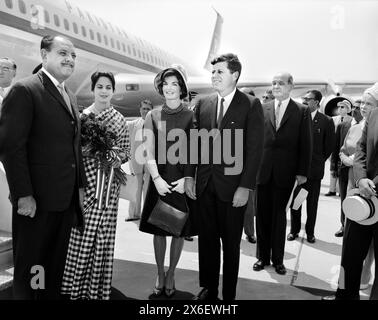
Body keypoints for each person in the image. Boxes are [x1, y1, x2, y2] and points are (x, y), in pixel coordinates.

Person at [0, 35, 86, 299]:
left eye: (73, 55)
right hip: (35, 203)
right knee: (33, 269)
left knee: (52, 268)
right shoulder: (25, 90)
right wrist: (23, 194)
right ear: (44, 55)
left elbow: (74, 147)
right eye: (63, 53)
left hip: (63, 202)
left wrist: (79, 187)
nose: (69, 59)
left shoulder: (69, 95)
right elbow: (11, 148)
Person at [186, 53, 265, 301]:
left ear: (235, 75)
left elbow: (254, 151)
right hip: (205, 185)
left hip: (233, 189)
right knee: (207, 241)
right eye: (213, 72)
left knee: (231, 245)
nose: (214, 76)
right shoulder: (203, 103)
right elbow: (193, 145)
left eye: (220, 71)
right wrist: (189, 177)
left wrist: (246, 187)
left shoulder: (250, 105)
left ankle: (228, 294)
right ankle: (209, 287)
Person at [61, 71, 130, 300]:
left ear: (113, 91)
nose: (104, 91)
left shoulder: (119, 119)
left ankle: (96, 290)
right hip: (87, 186)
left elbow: (126, 152)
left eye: (108, 87)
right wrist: (91, 151)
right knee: (81, 236)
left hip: (110, 188)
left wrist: (110, 154)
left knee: (103, 239)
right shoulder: (82, 117)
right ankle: (74, 288)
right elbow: (74, 153)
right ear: (93, 89)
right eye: (99, 86)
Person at [139, 64, 196, 299]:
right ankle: (159, 273)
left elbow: (196, 151)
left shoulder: (192, 115)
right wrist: (156, 179)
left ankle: (172, 273)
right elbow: (148, 150)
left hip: (182, 180)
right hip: (159, 179)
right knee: (159, 230)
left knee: (179, 231)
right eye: (165, 84)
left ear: (182, 88)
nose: (169, 88)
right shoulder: (153, 115)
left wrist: (188, 178)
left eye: (174, 84)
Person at [322, 83, 378, 300]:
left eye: (369, 103)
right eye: (362, 102)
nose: (363, 107)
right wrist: (362, 178)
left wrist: (372, 183)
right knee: (349, 258)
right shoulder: (370, 120)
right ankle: (343, 295)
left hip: (373, 195)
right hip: (361, 200)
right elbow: (361, 150)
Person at [254, 72, 312, 275]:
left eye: (280, 83)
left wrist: (302, 172)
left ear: (290, 86)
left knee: (279, 218)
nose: (276, 86)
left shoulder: (301, 111)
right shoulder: (262, 108)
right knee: (261, 216)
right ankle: (262, 257)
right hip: (262, 172)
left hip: (286, 174)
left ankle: (278, 259)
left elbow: (306, 144)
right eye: (273, 83)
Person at [288, 90, 335, 243]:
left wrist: (317, 161)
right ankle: (294, 230)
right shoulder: (298, 117)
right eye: (304, 98)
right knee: (296, 202)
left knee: (311, 205)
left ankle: (310, 232)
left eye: (308, 99)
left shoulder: (326, 121)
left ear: (316, 102)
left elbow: (328, 147)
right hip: (297, 170)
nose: (304, 101)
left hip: (314, 171)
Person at [331, 99, 363, 237]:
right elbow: (337, 148)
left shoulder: (367, 126)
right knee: (344, 199)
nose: (356, 109)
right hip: (343, 169)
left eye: (358, 107)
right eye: (354, 107)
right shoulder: (343, 125)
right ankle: (344, 225)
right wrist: (334, 167)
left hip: (360, 172)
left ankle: (357, 227)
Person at [125, 99, 153, 221]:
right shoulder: (132, 124)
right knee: (135, 188)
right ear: (140, 109)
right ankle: (134, 214)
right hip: (136, 162)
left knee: (148, 190)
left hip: (150, 162)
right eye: (144, 108)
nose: (145, 111)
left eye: (148, 109)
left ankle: (146, 215)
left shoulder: (157, 124)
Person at [326, 100, 353, 196]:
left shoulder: (351, 120)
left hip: (345, 147)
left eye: (343, 107)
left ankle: (340, 190)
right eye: (339, 107)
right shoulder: (333, 119)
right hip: (333, 146)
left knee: (341, 168)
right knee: (333, 168)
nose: (340, 109)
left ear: (348, 109)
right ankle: (331, 189)